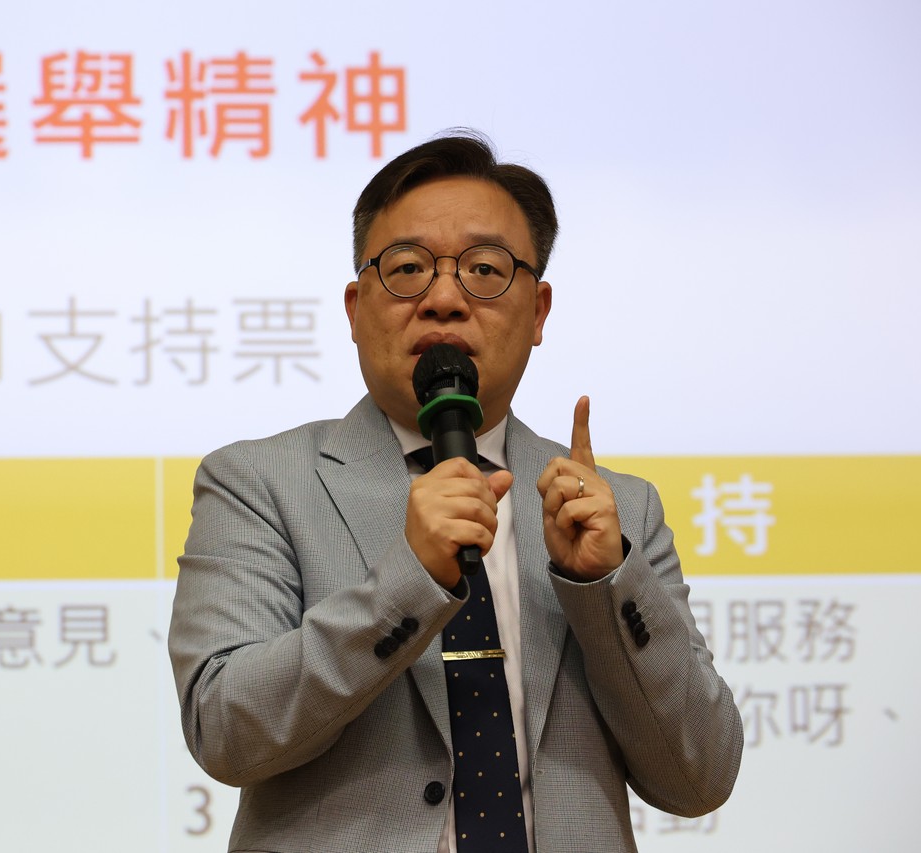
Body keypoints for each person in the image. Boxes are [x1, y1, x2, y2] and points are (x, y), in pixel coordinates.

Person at [168, 130, 743, 853]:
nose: (444, 298)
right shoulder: (259, 482)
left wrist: (604, 584)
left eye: (484, 270)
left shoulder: (619, 511)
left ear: (538, 311)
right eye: (408, 268)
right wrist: (409, 580)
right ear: (355, 308)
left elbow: (700, 778)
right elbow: (225, 731)